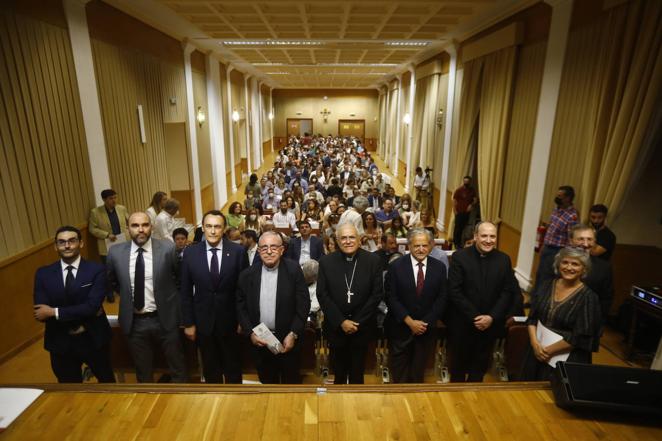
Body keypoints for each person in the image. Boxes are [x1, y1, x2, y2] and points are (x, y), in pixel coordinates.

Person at [106, 212, 188, 383]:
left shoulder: (167, 248)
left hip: (165, 319)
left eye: (145, 225)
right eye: (135, 226)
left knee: (178, 367)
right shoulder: (115, 253)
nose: (141, 230)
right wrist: (129, 297)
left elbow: (179, 279)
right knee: (143, 372)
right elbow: (112, 282)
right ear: (128, 228)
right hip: (134, 322)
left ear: (152, 227)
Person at [33, 226, 115, 383]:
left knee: (107, 383)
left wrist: (55, 312)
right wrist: (83, 309)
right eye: (62, 242)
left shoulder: (96, 270)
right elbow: (41, 313)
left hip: (93, 339)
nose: (67, 245)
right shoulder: (43, 273)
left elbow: (92, 306)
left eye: (72, 241)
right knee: (69, 391)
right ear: (55, 246)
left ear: (81, 243)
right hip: (60, 341)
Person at [180, 210, 248, 383]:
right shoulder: (190, 253)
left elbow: (244, 290)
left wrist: (243, 320)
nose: (212, 231)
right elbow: (186, 291)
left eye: (217, 227)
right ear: (202, 228)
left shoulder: (238, 252)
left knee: (233, 369)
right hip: (203, 322)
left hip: (231, 323)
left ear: (224, 229)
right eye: (208, 226)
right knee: (211, 370)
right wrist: (188, 323)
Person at [446, 221, 520, 382]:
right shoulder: (460, 257)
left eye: (492, 236)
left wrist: (491, 317)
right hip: (463, 322)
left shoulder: (504, 260)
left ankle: (475, 398)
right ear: (475, 237)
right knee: (458, 367)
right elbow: (455, 291)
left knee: (479, 367)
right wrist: (476, 317)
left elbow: (507, 292)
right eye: (484, 236)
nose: (488, 240)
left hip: (490, 324)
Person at [236, 231, 310, 384]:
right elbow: (240, 306)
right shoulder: (246, 275)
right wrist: (250, 333)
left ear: (282, 250)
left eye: (274, 247)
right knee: (267, 386)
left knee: (291, 385)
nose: (269, 251)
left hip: (288, 341)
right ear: (258, 251)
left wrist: (293, 333)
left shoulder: (294, 271)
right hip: (260, 342)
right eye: (264, 248)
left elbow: (303, 305)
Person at [519, 246, 602, 380]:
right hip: (535, 353)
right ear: (558, 264)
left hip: (564, 360)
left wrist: (548, 351)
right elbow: (532, 318)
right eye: (565, 262)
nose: (569, 267)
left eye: (575, 264)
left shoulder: (589, 298)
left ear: (584, 269)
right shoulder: (546, 285)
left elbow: (582, 337)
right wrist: (535, 344)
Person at [317, 223, 383, 384]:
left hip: (362, 328)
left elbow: (376, 295)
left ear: (360, 239)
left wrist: (356, 322)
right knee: (338, 373)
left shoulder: (373, 261)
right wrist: (341, 321)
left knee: (357, 374)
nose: (348, 241)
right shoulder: (326, 262)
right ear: (338, 241)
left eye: (352, 237)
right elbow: (322, 294)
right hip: (336, 328)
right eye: (343, 238)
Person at [385, 228, 448, 383]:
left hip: (426, 331)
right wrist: (410, 322)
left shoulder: (439, 268)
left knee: (418, 373)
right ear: (409, 246)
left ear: (431, 245)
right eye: (416, 245)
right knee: (399, 374)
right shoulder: (396, 266)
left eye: (425, 245)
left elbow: (442, 298)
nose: (421, 249)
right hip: (400, 329)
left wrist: (424, 323)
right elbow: (391, 297)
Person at [538, 224, 615, 322]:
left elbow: (606, 298)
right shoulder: (555, 261)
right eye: (581, 239)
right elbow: (542, 289)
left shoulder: (604, 267)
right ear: (571, 241)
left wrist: (597, 323)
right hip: (553, 319)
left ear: (595, 241)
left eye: (590, 239)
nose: (586, 244)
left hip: (586, 323)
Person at [534, 185, 578, 291]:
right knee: (539, 274)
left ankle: (541, 303)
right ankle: (533, 300)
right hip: (547, 247)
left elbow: (571, 240)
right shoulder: (556, 209)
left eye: (559, 196)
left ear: (568, 198)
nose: (556, 197)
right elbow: (551, 228)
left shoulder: (572, 216)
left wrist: (565, 258)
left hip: (557, 251)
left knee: (547, 278)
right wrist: (543, 245)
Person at [88, 189, 129, 265]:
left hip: (122, 242)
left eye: (115, 197)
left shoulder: (121, 208)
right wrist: (107, 235)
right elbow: (92, 229)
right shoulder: (95, 212)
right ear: (104, 199)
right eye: (111, 198)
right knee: (109, 269)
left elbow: (129, 220)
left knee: (124, 265)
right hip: (107, 245)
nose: (114, 200)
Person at [452, 176, 477, 249]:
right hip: (459, 212)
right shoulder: (459, 190)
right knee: (457, 228)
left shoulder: (472, 190)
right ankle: (456, 243)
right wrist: (455, 211)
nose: (466, 183)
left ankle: (461, 242)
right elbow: (454, 201)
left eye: (467, 182)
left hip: (466, 213)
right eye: (465, 181)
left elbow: (475, 200)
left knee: (464, 228)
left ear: (470, 182)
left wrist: (471, 205)